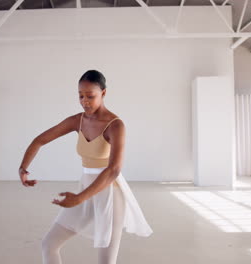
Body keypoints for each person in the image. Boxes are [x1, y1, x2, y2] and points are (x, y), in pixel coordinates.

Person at [18, 70, 153, 264]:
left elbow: (113, 169)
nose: (84, 101)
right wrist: (23, 169)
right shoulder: (77, 121)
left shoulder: (115, 125)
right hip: (84, 190)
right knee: (49, 244)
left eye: (90, 96)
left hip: (110, 195)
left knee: (106, 262)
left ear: (104, 93)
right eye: (81, 96)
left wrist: (80, 198)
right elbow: (40, 140)